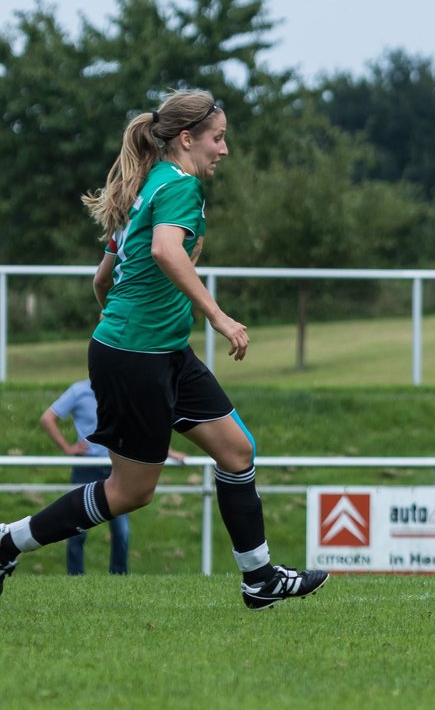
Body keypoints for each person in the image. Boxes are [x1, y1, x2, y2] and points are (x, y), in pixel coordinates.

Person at [0, 88, 327, 609]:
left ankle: (259, 578)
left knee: (237, 451)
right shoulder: (179, 187)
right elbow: (163, 250)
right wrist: (217, 316)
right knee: (131, 492)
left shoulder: (146, 186)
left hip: (162, 353)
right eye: (217, 139)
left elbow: (104, 279)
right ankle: (7, 541)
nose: (223, 150)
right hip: (138, 359)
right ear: (186, 139)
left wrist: (125, 321)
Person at [39, 379, 188, 575]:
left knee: (121, 531)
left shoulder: (122, 388)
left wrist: (167, 450)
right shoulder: (79, 390)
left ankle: (119, 577)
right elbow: (47, 418)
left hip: (116, 467)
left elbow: (143, 423)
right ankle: (74, 578)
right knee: (76, 530)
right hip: (86, 468)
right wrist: (67, 448)